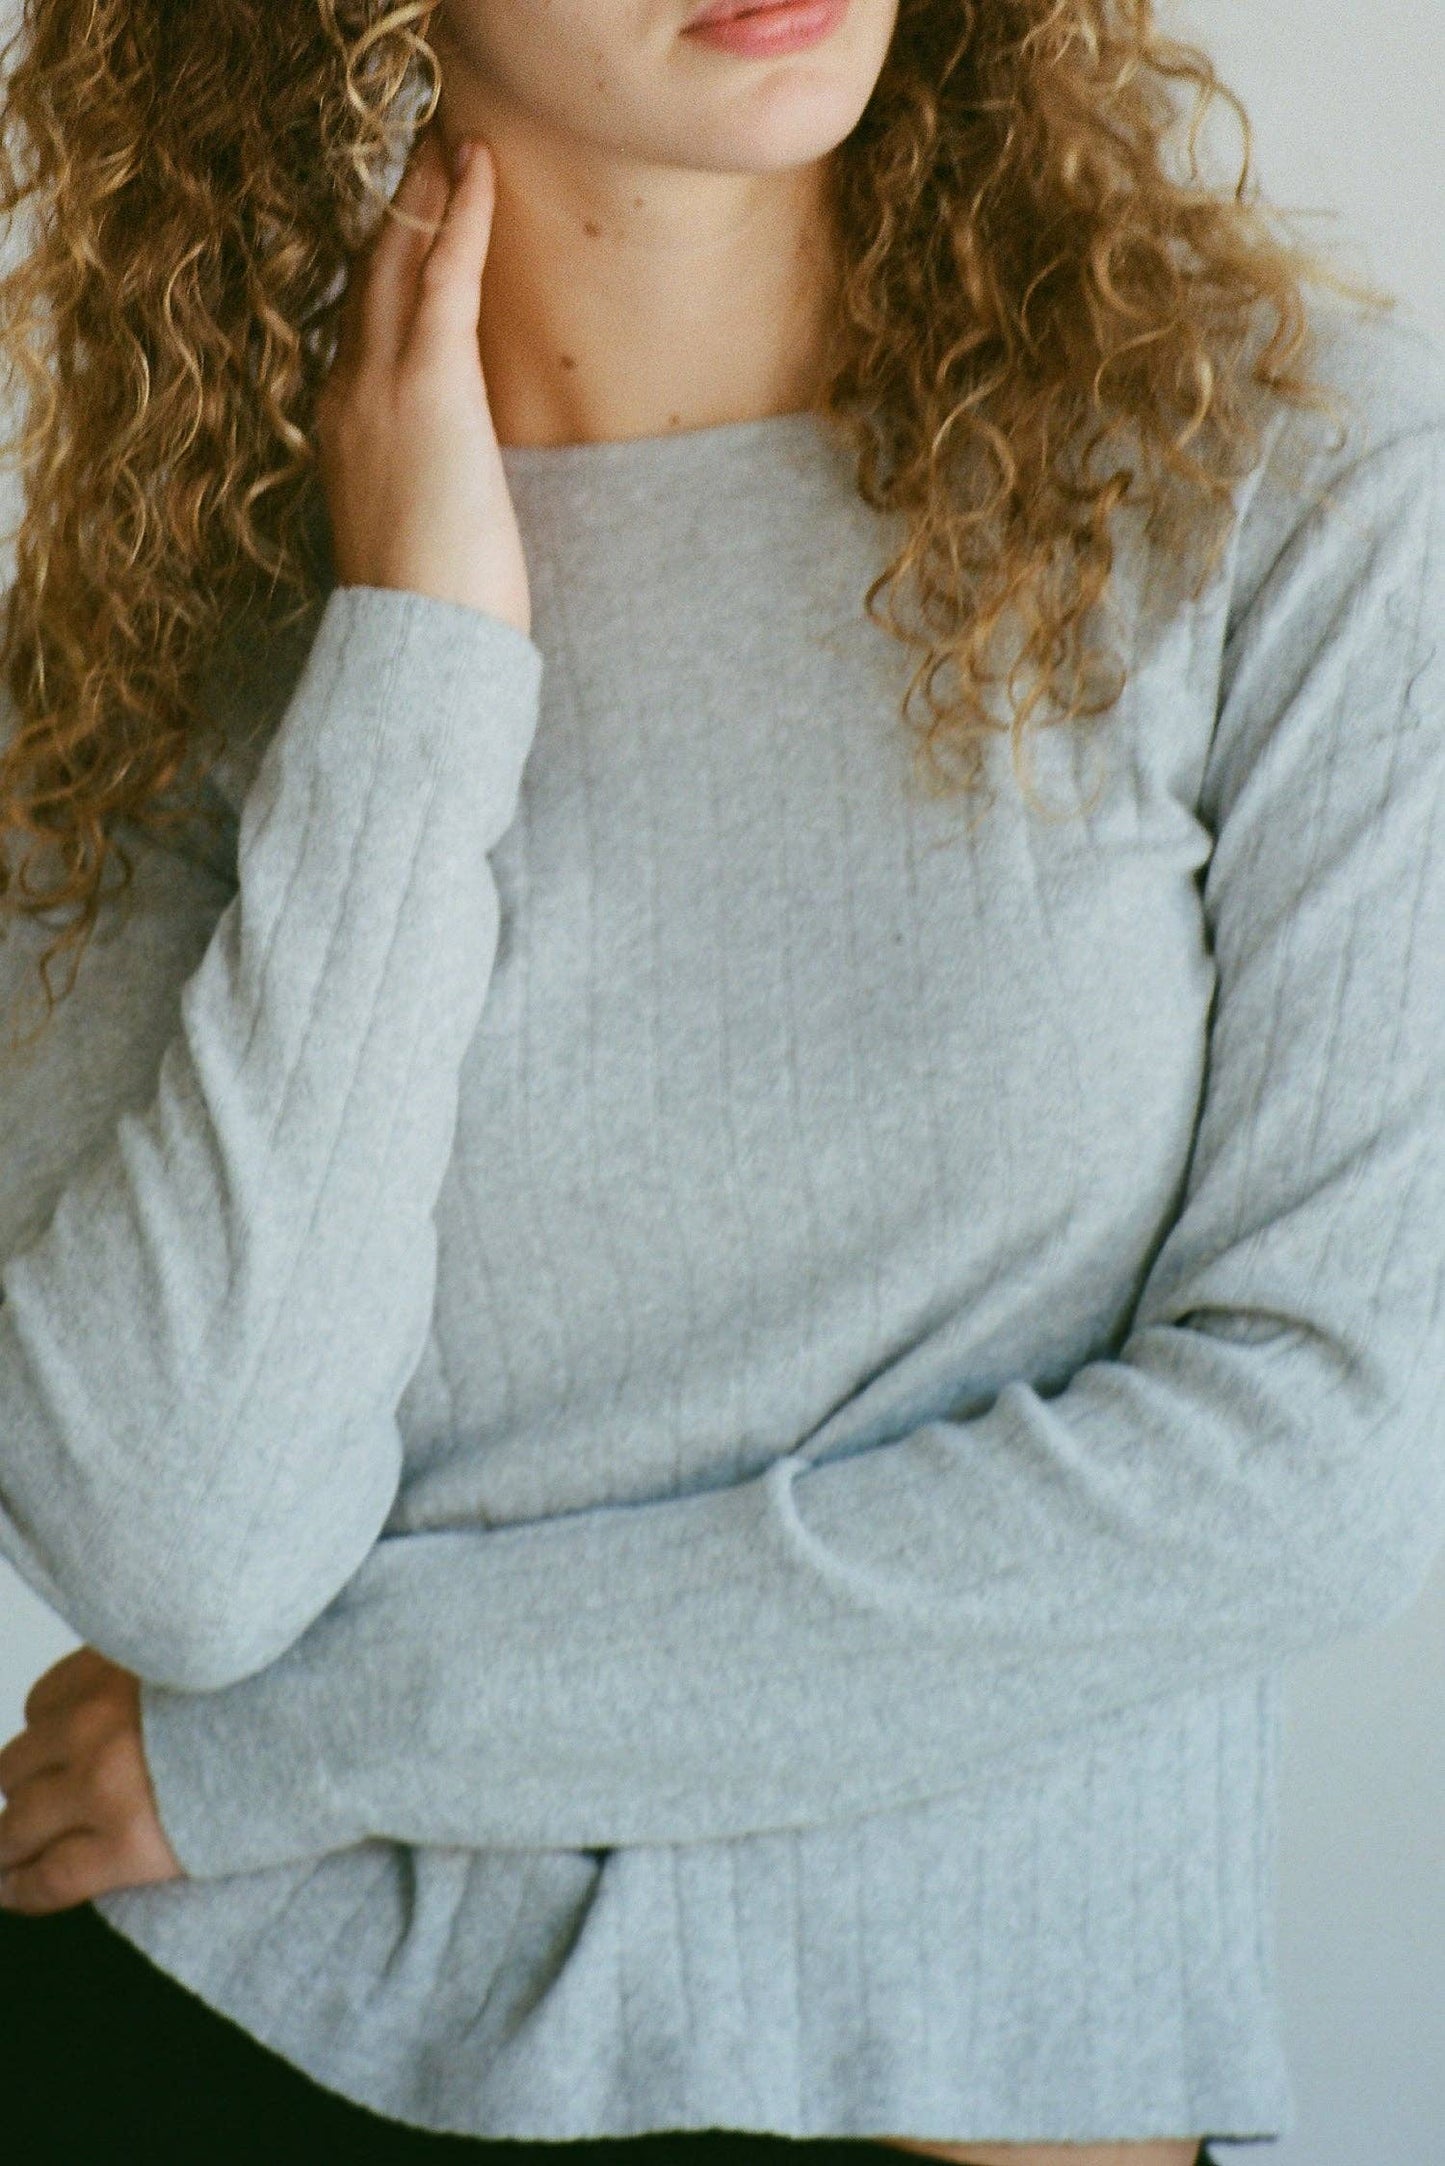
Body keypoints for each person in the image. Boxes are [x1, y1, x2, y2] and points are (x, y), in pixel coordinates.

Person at [0, 0, 1441, 2161]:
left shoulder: (1284, 480)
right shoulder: (170, 612)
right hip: (239, 2064)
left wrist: (314, 1740)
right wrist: (417, 658)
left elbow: (1320, 1456)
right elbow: (185, 1552)